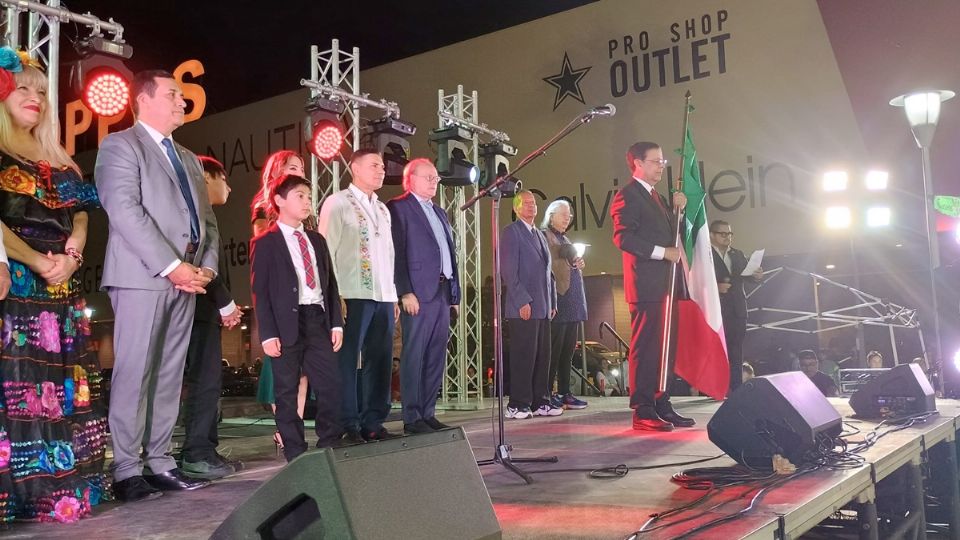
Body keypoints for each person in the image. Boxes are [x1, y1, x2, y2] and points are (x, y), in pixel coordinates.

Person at [95, 69, 217, 501]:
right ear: (143, 100)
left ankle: (161, 462)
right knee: (136, 372)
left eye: (181, 96)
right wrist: (171, 266)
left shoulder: (187, 158)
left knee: (168, 373)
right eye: (173, 94)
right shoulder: (120, 145)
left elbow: (208, 221)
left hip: (188, 280)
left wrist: (206, 268)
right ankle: (127, 470)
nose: (182, 101)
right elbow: (124, 210)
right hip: (141, 277)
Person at [0, 50, 108, 522]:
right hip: (17, 287)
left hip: (62, 288)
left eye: (42, 91)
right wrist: (35, 261)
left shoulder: (60, 159)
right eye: (23, 88)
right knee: (20, 386)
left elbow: (80, 214)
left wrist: (73, 252)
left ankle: (58, 485)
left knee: (64, 387)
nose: (36, 98)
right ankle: (22, 494)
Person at [251, 174, 344, 462]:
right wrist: (267, 333)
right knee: (287, 390)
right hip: (285, 323)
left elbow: (330, 284)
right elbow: (260, 292)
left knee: (330, 384)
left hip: (317, 317)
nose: (307, 202)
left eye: (308, 197)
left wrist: (336, 322)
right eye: (299, 196)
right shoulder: (265, 243)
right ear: (279, 201)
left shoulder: (316, 240)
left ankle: (330, 442)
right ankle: (294, 450)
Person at [610, 141, 694, 431]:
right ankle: (643, 408)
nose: (661, 166)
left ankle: (662, 402)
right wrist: (662, 253)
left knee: (665, 348)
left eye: (662, 161)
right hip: (646, 286)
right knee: (646, 348)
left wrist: (679, 211)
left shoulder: (657, 197)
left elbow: (671, 235)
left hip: (667, 286)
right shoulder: (628, 195)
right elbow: (623, 238)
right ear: (638, 163)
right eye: (656, 161)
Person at [317, 149, 399, 443]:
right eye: (374, 165)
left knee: (381, 359)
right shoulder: (337, 203)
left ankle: (373, 421)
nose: (381, 170)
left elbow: (389, 254)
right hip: (350, 293)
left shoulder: (383, 209)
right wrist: (333, 295)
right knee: (346, 359)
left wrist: (393, 294)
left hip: (382, 294)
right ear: (355, 168)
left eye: (382, 166)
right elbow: (325, 251)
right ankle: (346, 423)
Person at [179, 156, 243, 479]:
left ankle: (205, 448)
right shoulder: (193, 211)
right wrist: (224, 301)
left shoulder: (207, 214)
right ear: (205, 176)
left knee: (209, 382)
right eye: (224, 180)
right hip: (196, 305)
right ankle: (196, 452)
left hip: (206, 309)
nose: (229, 188)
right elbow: (203, 261)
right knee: (202, 382)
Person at [387, 158, 460, 434]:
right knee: (415, 354)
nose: (433, 182)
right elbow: (397, 252)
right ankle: (412, 416)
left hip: (442, 291)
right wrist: (404, 290)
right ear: (410, 179)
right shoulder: (399, 207)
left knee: (435, 355)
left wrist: (454, 294)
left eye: (436, 178)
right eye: (428, 177)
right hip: (417, 292)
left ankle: (428, 412)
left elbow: (448, 252)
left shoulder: (439, 212)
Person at [249, 150, 309, 451]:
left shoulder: (305, 208)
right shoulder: (264, 206)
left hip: (307, 296)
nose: (298, 172)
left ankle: (295, 425)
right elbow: (263, 245)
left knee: (303, 372)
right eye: (292, 167)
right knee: (281, 369)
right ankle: (284, 427)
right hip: (281, 295)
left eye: (301, 168)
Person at [501, 191, 561, 419]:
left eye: (533, 203)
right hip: (523, 307)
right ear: (516, 208)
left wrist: (552, 300)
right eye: (526, 203)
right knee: (524, 357)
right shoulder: (511, 232)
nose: (531, 207)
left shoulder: (539, 234)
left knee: (542, 357)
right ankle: (518, 404)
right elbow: (508, 271)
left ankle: (540, 401)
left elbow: (549, 273)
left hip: (543, 307)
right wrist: (522, 300)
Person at [541, 199, 588, 410]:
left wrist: (578, 263)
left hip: (573, 301)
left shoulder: (565, 237)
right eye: (563, 214)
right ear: (551, 216)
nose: (567, 218)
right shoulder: (544, 235)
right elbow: (552, 257)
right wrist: (569, 252)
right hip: (559, 299)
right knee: (554, 350)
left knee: (568, 351)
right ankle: (546, 393)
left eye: (569, 215)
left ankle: (564, 392)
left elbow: (569, 260)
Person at [710, 219, 762, 392]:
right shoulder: (704, 253)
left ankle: (735, 389)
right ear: (712, 235)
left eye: (730, 233)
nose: (727, 237)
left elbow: (748, 276)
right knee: (716, 351)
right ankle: (715, 389)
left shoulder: (737, 254)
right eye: (723, 234)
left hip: (738, 309)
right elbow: (696, 280)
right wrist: (715, 287)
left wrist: (756, 275)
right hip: (716, 310)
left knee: (736, 351)